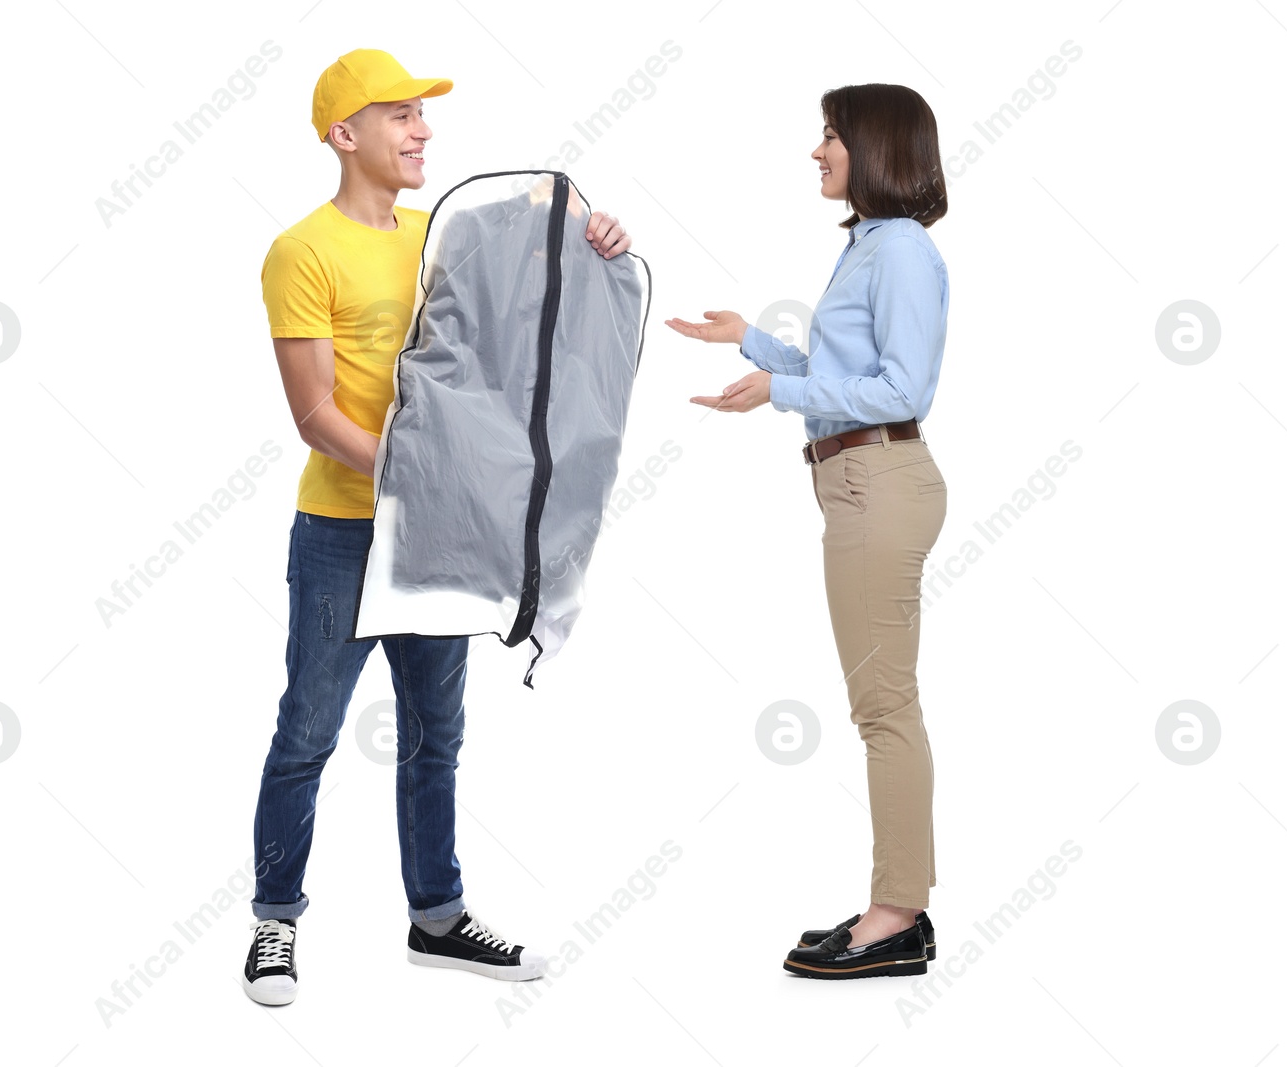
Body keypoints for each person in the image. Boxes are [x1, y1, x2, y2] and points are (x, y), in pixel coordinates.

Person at [244, 48, 633, 1006]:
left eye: (424, 116)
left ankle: (438, 919)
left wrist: (597, 235)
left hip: (435, 539)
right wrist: (425, 475)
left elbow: (541, 272)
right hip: (344, 530)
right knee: (307, 731)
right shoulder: (302, 251)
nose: (424, 131)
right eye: (401, 116)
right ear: (345, 135)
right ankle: (274, 923)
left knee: (436, 735)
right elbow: (316, 415)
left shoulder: (438, 237)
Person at [666, 82, 950, 980]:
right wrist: (754, 341)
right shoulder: (870, 245)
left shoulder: (901, 250)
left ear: (874, 147)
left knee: (884, 709)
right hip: (857, 483)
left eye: (830, 136)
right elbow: (842, 373)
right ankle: (895, 905)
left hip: (879, 484)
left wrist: (782, 390)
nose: (817, 152)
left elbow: (904, 390)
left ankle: (896, 915)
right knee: (883, 704)